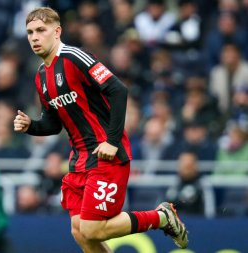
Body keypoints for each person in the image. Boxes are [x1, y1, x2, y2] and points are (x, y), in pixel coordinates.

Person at [13, 7, 188, 252]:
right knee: (81, 232)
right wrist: (31, 126)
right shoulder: (41, 76)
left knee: (92, 228)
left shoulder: (75, 57)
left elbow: (118, 90)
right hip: (79, 160)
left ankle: (161, 217)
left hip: (106, 154)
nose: (34, 37)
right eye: (30, 32)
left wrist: (112, 141)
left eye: (41, 30)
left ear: (57, 32)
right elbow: (53, 124)